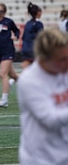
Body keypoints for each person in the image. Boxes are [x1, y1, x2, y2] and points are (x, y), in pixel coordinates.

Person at [17, 28, 68, 165]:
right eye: (62, 59)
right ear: (45, 59)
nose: (67, 62)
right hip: (41, 158)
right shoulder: (30, 80)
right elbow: (50, 119)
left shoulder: (63, 70)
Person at [0, 3, 20, 108]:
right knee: (14, 76)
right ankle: (32, 86)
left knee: (2, 74)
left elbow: (17, 31)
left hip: (8, 51)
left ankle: (4, 99)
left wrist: (16, 37)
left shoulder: (8, 22)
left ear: (4, 12)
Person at [20, 2, 43, 69]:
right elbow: (41, 38)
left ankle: (14, 79)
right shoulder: (39, 24)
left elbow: (23, 37)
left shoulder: (28, 23)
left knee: (26, 72)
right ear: (38, 12)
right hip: (33, 50)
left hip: (25, 49)